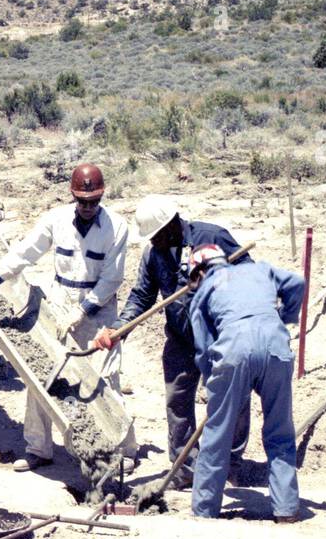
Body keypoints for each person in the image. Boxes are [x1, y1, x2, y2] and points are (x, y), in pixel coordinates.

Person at [0, 163, 128, 471]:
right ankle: (39, 448)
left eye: (95, 201)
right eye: (83, 201)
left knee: (105, 377)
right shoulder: (55, 220)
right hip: (61, 299)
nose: (89, 207)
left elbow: (111, 279)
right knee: (43, 375)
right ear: (73, 196)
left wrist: (82, 312)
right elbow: (25, 252)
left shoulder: (117, 228)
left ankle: (119, 449)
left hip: (99, 305)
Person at [97, 196, 250, 488]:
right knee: (177, 401)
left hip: (220, 337)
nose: (152, 242)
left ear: (171, 226)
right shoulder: (154, 254)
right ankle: (185, 467)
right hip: (180, 338)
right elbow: (142, 296)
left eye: (156, 236)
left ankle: (231, 465)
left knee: (232, 400)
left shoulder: (211, 237)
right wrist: (119, 329)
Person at [185, 245, 305, 522]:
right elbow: (297, 282)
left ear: (201, 271)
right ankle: (286, 510)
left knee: (218, 433)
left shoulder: (203, 292)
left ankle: (205, 511)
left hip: (234, 352)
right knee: (280, 431)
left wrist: (213, 387)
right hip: (276, 346)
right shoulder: (259, 268)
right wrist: (286, 317)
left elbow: (203, 350)